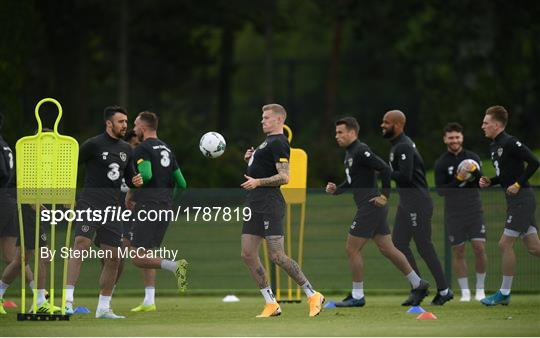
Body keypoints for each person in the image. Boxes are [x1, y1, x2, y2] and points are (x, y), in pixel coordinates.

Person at [326, 117, 429, 307]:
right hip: (370, 207)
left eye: (340, 132)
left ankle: (357, 296)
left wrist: (385, 195)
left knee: (352, 249)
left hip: (370, 206)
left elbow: (384, 168)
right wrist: (336, 190)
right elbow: (352, 182)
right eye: (336, 133)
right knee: (387, 249)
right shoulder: (350, 153)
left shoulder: (360, 150)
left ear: (352, 133)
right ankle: (418, 283)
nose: (337, 136)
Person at [241, 103, 324, 317]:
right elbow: (262, 169)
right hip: (255, 203)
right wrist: (251, 160)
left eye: (267, 117)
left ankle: (312, 294)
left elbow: (284, 177)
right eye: (262, 117)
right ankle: (271, 303)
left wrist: (258, 181)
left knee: (277, 255)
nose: (263, 120)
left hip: (270, 203)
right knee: (248, 254)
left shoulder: (279, 142)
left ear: (279, 120)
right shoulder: (266, 142)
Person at [65, 106, 142, 318]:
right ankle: (68, 302)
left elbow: (129, 178)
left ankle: (103, 308)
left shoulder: (127, 149)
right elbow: (70, 166)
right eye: (120, 121)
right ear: (109, 123)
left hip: (112, 208)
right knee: (81, 244)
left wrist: (135, 181)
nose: (125, 125)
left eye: (126, 121)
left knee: (114, 257)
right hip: (90, 203)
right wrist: (67, 195)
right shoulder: (93, 144)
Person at [381, 110, 453, 305]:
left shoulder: (404, 145)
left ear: (398, 124)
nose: (383, 125)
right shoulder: (396, 145)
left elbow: (405, 176)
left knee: (424, 245)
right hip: (407, 203)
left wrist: (383, 170)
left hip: (418, 202)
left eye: (386, 123)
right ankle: (418, 286)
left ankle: (444, 290)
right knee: (398, 243)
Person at [126, 111, 188, 312]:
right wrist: (168, 200)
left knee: (136, 257)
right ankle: (149, 301)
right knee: (148, 252)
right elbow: (182, 183)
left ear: (143, 128)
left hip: (148, 206)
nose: (133, 129)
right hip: (165, 207)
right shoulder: (167, 149)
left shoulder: (142, 148)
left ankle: (175, 266)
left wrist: (131, 194)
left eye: (135, 125)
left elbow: (146, 174)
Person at [479, 105, 540, 306]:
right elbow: (507, 175)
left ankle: (504, 293)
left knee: (505, 244)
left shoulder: (511, 142)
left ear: (496, 125)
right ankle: (504, 293)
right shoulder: (494, 146)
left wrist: (518, 184)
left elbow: (534, 162)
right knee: (534, 247)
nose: (483, 126)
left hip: (523, 199)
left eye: (486, 123)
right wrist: (492, 181)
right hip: (516, 200)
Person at [0, 116, 52, 314]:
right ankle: (39, 301)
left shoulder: (47, 162)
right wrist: (32, 202)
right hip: (25, 210)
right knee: (38, 256)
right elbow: (21, 182)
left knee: (21, 258)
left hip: (29, 209)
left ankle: (38, 299)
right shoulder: (31, 158)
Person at [434, 122, 487, 302]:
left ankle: (480, 290)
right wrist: (459, 178)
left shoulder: (472, 158)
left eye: (457, 137)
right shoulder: (441, 163)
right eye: (451, 137)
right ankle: (465, 292)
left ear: (462, 137)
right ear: (445, 139)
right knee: (459, 251)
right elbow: (441, 191)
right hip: (454, 213)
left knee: (479, 248)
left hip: (474, 210)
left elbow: (479, 182)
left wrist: (473, 174)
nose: (454, 140)